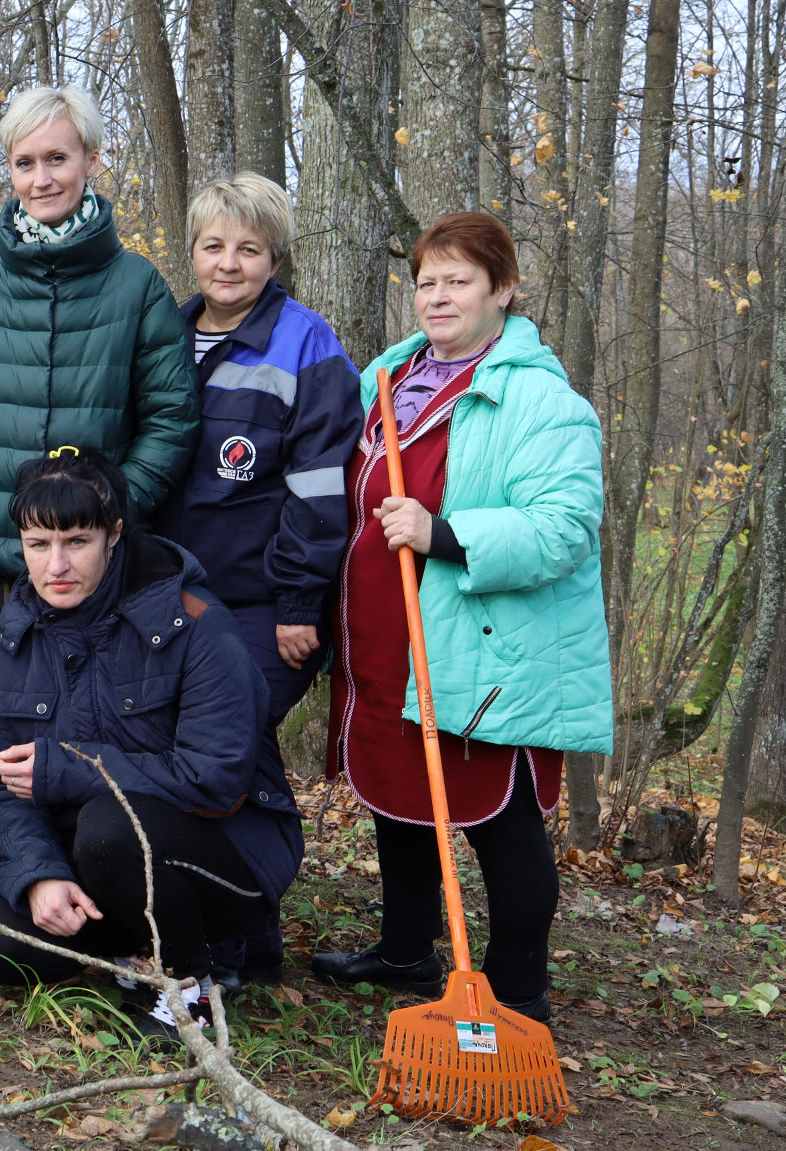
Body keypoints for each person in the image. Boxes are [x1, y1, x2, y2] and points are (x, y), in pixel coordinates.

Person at [312, 212, 611, 1024]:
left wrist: (444, 535)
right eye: (426, 282)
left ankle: (519, 992)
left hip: (482, 648)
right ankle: (407, 948)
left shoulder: (539, 399)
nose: (437, 298)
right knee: (401, 792)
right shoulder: (392, 374)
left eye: (459, 281)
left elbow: (566, 528)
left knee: (500, 819)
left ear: (504, 289)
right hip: (386, 637)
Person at [0, 449, 303, 1047]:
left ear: (114, 534)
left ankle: (193, 986)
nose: (56, 565)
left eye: (77, 541)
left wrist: (67, 770)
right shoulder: (10, 639)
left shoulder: (195, 623)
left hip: (229, 857)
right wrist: (40, 876)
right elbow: (0, 785)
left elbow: (215, 778)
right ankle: (131, 951)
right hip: (97, 863)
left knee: (107, 823)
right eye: (38, 543)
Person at [0, 85, 199, 702]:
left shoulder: (137, 285)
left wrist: (117, 508)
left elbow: (171, 417)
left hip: (96, 556)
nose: (41, 179)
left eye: (57, 159)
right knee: (3, 725)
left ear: (90, 160)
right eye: (24, 163)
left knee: (98, 721)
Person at [152, 172, 362, 985]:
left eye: (249, 248)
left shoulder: (307, 344)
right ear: (194, 252)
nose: (229, 263)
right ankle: (240, 931)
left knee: (227, 750)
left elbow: (318, 488)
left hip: (261, 605)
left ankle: (237, 935)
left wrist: (299, 603)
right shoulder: (164, 335)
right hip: (170, 596)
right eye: (214, 246)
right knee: (195, 754)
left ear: (275, 257)